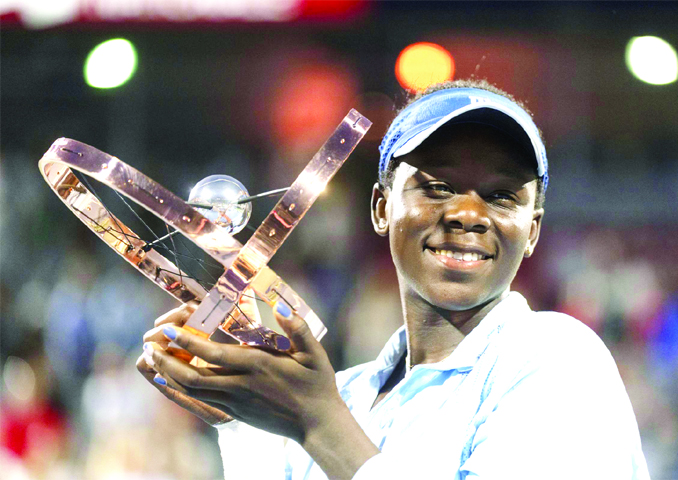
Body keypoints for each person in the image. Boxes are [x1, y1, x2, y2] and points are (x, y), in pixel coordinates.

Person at [137, 79, 651, 479]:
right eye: (438, 186)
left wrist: (316, 424)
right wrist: (242, 419)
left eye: (501, 196)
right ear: (382, 208)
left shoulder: (556, 359)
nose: (468, 214)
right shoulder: (343, 394)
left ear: (531, 231)